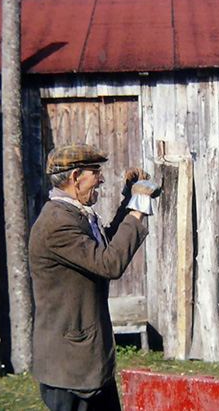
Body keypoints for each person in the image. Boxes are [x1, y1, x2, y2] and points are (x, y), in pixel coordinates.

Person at [29, 143, 157, 411]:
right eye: (95, 172)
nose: (101, 179)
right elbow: (109, 262)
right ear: (76, 178)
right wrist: (139, 207)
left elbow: (104, 246)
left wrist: (129, 198)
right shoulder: (57, 223)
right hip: (70, 369)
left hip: (87, 362)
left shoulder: (72, 214)